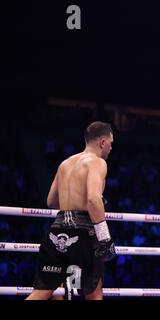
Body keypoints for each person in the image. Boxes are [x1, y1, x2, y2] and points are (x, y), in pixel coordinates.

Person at [26, 121, 116, 300]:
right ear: (102, 142)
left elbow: (51, 201)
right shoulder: (97, 162)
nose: (111, 148)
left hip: (56, 231)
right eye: (111, 143)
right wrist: (105, 238)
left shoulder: (65, 163)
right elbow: (92, 199)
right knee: (94, 292)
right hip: (83, 232)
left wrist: (73, 200)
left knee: (42, 292)